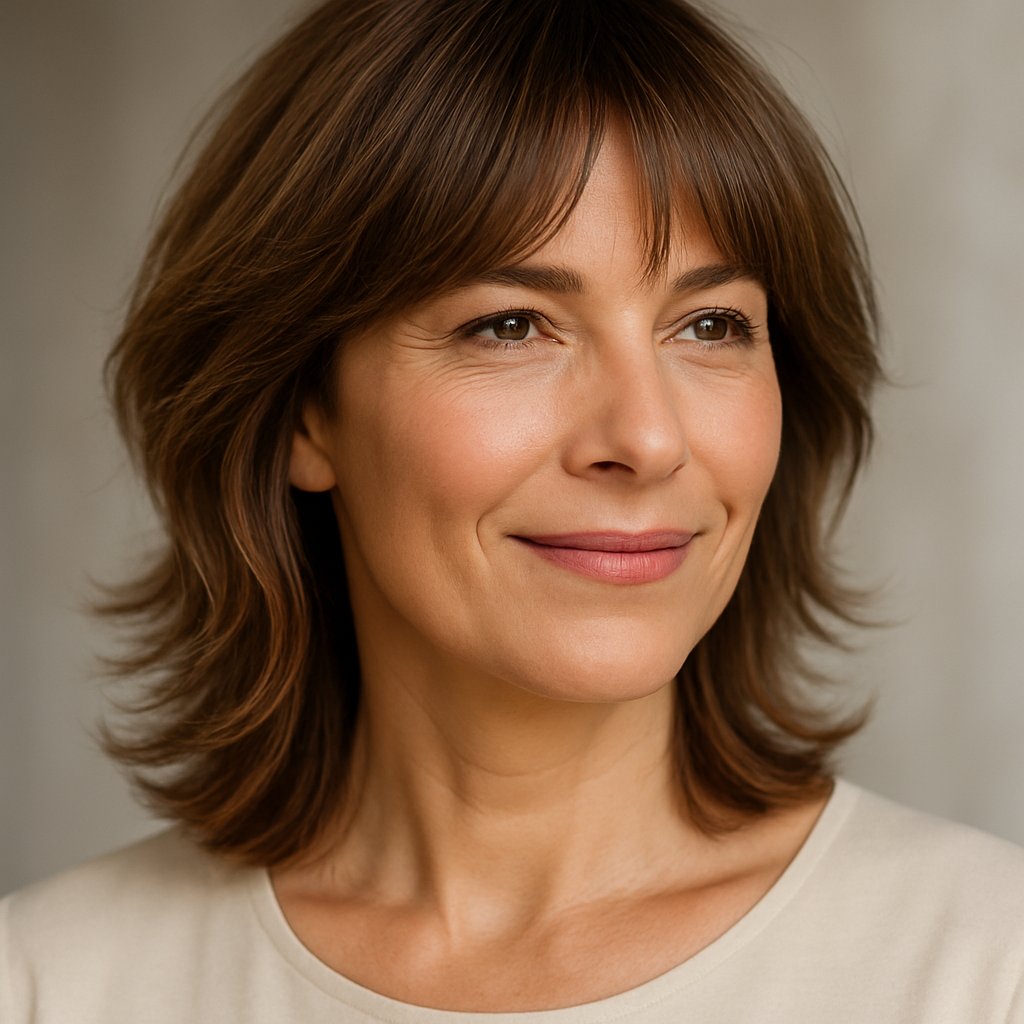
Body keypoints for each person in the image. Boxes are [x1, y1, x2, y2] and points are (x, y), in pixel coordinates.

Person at [2, 0, 1023, 1020]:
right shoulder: (48, 983)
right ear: (303, 410)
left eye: (710, 324)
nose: (647, 436)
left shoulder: (987, 964)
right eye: (511, 326)